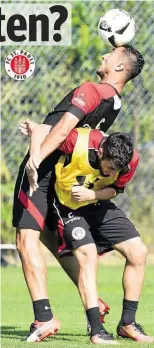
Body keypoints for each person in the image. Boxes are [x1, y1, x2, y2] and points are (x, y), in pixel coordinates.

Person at [13, 45, 145, 342]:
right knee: (48, 235)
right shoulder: (115, 103)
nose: (106, 53)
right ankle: (93, 302)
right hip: (66, 169)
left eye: (113, 52)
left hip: (46, 163)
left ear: (121, 67)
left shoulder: (94, 91)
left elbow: (60, 132)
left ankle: (43, 317)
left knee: (25, 238)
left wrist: (35, 160)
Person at [41, 127, 153, 344]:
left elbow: (114, 190)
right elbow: (49, 131)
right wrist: (33, 143)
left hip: (97, 203)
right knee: (88, 255)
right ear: (102, 151)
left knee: (139, 252)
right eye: (110, 167)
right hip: (67, 207)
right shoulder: (76, 141)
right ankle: (97, 329)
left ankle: (127, 324)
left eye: (117, 170)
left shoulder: (130, 160)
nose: (112, 174)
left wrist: (91, 194)